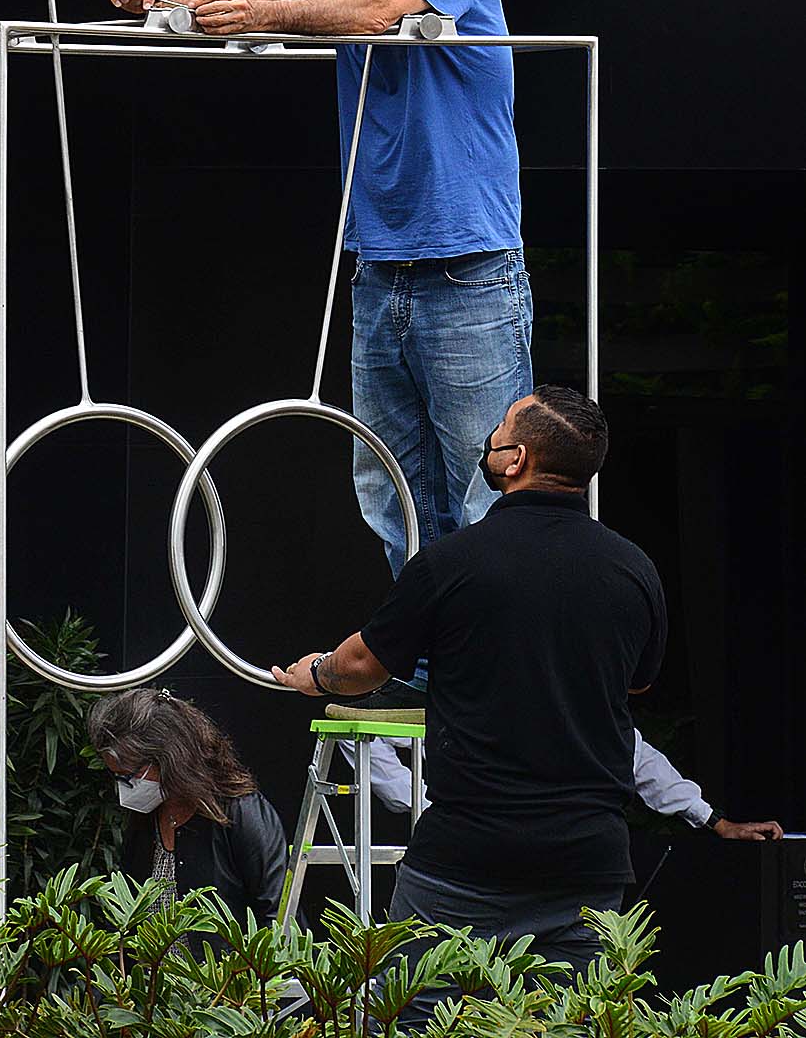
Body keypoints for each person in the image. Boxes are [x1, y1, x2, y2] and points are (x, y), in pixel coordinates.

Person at [109, 0, 530, 615]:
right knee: (390, 480)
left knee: (491, 478)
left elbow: (378, 12)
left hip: (469, 265)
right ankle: (437, 650)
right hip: (379, 265)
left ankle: (499, 662)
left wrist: (262, 12)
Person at [275, 386, 666, 974]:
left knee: (416, 1010)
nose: (490, 438)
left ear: (516, 460)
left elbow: (360, 667)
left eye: (502, 428)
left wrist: (315, 676)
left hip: (468, 854)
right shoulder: (634, 569)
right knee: (578, 1019)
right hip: (588, 859)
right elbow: (638, 684)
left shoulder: (450, 562)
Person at [351, 730, 784, 841]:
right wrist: (428, 803)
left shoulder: (571, 685)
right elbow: (357, 730)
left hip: (560, 864)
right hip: (475, 857)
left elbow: (637, 757)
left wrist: (714, 820)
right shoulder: (463, 678)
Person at [87, 687, 286, 927]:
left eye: (130, 776)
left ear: (169, 759)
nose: (124, 787)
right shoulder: (147, 814)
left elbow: (278, 914)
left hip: (230, 964)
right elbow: (125, 907)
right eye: (117, 777)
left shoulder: (238, 811)